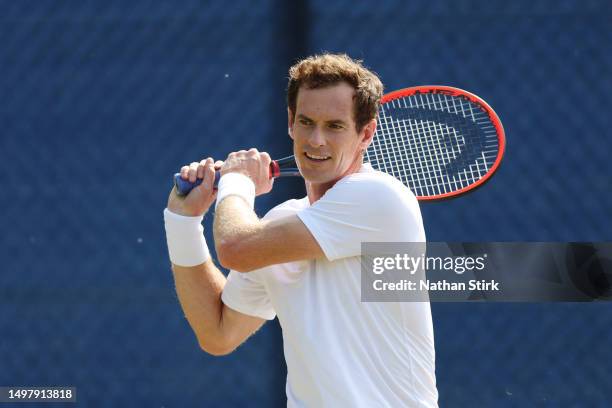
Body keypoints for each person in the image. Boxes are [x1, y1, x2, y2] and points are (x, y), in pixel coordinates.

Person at [164, 53, 438, 407]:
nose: (316, 140)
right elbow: (218, 333)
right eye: (307, 122)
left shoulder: (379, 197)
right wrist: (182, 222)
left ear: (366, 132)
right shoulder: (280, 224)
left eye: (335, 126)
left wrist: (237, 182)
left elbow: (235, 247)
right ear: (291, 121)